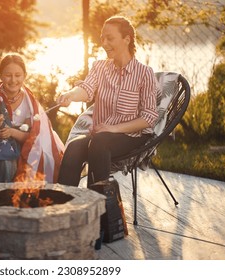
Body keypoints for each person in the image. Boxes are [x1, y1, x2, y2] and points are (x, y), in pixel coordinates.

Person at [57, 16, 160, 188]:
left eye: (110, 38)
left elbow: (148, 118)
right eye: (102, 38)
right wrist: (70, 95)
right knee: (74, 147)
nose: (104, 43)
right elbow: (86, 89)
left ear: (127, 39)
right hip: (102, 134)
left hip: (131, 136)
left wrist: (113, 129)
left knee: (100, 141)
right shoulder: (99, 67)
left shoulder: (144, 73)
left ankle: (100, 207)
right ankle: (63, 204)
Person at [0, 53, 64, 183]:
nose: (13, 80)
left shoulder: (29, 103)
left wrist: (12, 132)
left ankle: (26, 197)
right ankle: (2, 195)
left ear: (25, 76)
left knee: (45, 156)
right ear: (0, 76)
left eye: (18, 75)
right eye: (8, 75)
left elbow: (32, 136)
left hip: (20, 141)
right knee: (5, 157)